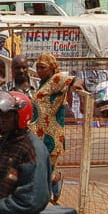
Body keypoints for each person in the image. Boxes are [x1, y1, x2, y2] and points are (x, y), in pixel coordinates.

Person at [28, 53, 82, 202]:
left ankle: (52, 185)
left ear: (52, 68)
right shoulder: (43, 83)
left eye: (43, 67)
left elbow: (75, 80)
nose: (39, 71)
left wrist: (76, 86)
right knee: (42, 168)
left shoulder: (57, 79)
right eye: (37, 67)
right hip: (39, 134)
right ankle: (54, 184)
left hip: (51, 134)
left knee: (45, 171)